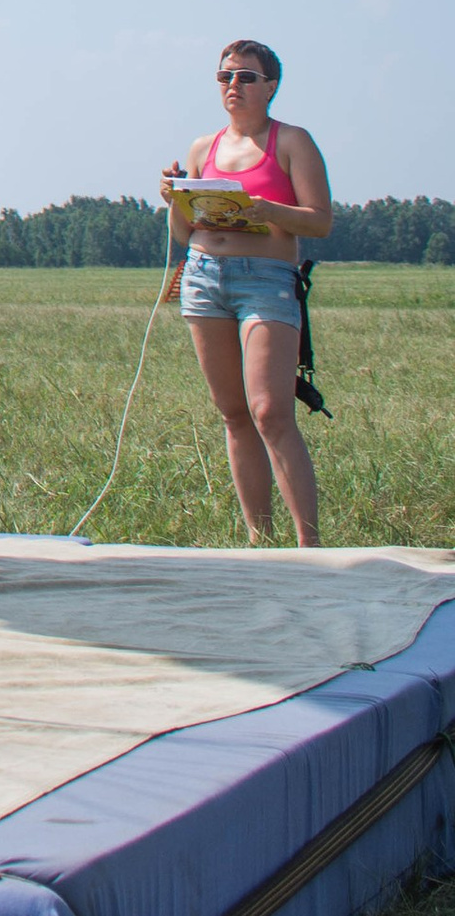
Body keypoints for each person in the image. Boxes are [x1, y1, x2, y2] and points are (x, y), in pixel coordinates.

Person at [162, 40, 333, 550]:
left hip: (266, 278)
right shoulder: (202, 148)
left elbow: (320, 221)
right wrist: (175, 196)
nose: (232, 86)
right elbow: (182, 232)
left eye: (245, 77)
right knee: (234, 414)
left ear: (271, 86)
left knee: (269, 411)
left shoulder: (292, 142)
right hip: (204, 276)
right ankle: (260, 540)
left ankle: (310, 545)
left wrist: (269, 211)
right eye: (224, 77)